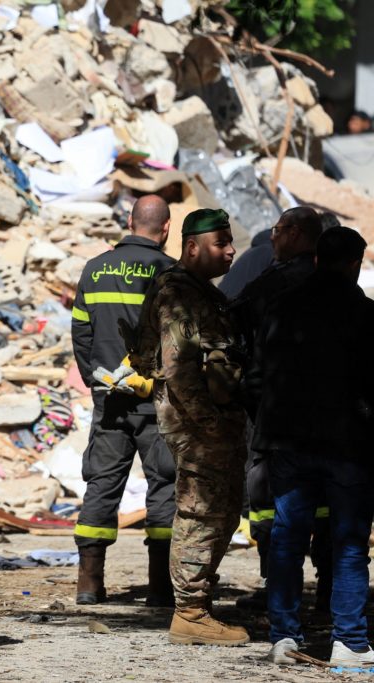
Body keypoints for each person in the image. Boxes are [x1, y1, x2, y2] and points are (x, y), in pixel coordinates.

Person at [244, 226, 374, 666]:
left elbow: (256, 376)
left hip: (288, 442)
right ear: (355, 263)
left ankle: (284, 637)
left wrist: (267, 423)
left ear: (317, 258)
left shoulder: (281, 308)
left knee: (286, 537)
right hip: (348, 446)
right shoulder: (366, 316)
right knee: (350, 543)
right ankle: (350, 642)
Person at [129, 208, 249, 645]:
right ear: (193, 247)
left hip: (214, 423)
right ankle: (190, 612)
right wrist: (209, 423)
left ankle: (199, 604)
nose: (231, 250)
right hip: (199, 426)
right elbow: (178, 368)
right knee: (200, 512)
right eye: (221, 242)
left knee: (223, 512)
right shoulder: (178, 293)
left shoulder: (202, 292)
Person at [70, 195, 177, 606]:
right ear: (166, 229)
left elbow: (81, 332)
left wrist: (94, 379)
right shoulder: (170, 273)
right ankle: (161, 588)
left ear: (129, 220)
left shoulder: (95, 268)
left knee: (101, 484)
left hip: (110, 399)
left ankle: (89, 584)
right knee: (165, 484)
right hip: (158, 403)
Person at [228, 207, 331, 612]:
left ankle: (278, 589)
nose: (272, 238)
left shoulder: (273, 283)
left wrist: (245, 391)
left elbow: (234, 327)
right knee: (326, 500)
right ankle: (328, 590)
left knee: (268, 496)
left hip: (275, 411)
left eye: (278, 230)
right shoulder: (338, 286)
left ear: (297, 234)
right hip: (328, 415)